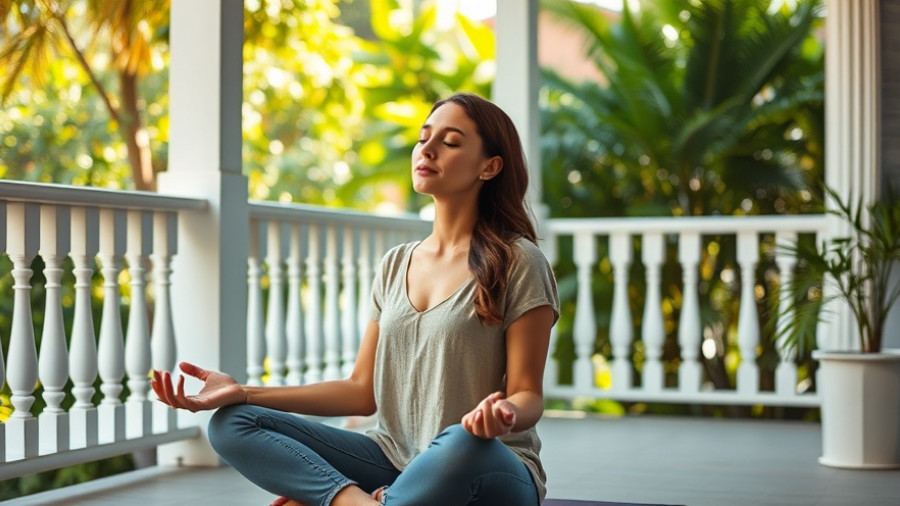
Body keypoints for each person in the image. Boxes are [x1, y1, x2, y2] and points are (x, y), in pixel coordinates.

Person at [151, 92, 559, 506]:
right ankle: (357, 502)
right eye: (423, 138)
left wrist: (502, 415)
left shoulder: (519, 261)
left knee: (459, 439)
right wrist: (241, 392)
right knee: (232, 424)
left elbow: (528, 395)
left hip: (487, 464)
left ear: (489, 167)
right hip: (395, 459)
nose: (428, 150)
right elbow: (362, 391)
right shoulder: (396, 263)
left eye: (450, 142)